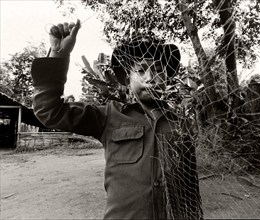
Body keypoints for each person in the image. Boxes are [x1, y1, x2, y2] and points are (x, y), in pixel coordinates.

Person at [31, 19, 203, 219]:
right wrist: (59, 55)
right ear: (127, 78)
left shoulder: (182, 124)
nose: (150, 77)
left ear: (166, 79)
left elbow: (190, 186)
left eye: (158, 70)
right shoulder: (108, 116)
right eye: (140, 70)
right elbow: (49, 111)